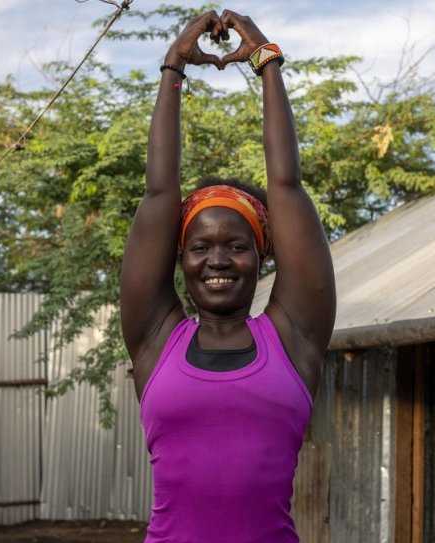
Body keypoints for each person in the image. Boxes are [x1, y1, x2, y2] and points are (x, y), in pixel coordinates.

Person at [119, 9, 336, 543]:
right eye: (200, 246)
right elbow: (158, 194)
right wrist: (173, 68)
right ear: (180, 259)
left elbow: (285, 186)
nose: (217, 259)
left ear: (263, 255)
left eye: (236, 245)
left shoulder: (294, 337)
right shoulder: (155, 339)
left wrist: (267, 61)